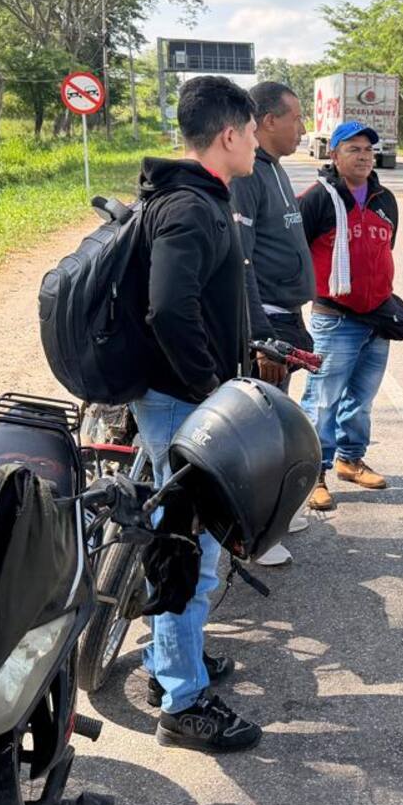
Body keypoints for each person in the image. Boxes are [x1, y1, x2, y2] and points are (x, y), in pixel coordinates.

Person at [130, 74, 263, 753]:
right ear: (230, 133)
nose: (257, 141)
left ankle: (166, 665)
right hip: (181, 404)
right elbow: (168, 309)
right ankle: (181, 700)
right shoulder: (190, 206)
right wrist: (214, 390)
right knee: (189, 552)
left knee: (187, 544)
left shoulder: (195, 196)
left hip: (180, 398)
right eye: (252, 129)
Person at [231, 80, 316, 566]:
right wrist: (260, 335)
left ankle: (273, 514)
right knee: (262, 428)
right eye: (296, 118)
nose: (303, 128)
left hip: (286, 314)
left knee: (279, 421)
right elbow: (243, 261)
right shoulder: (248, 175)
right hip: (267, 321)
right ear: (266, 122)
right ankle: (256, 532)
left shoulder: (275, 170)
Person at [298, 120, 399, 512]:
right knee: (322, 401)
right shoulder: (317, 199)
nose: (363, 155)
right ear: (334, 155)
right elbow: (296, 255)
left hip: (378, 318)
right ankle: (313, 474)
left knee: (361, 399)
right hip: (335, 318)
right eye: (353, 148)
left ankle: (349, 459)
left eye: (368, 150)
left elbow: (385, 251)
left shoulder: (385, 199)